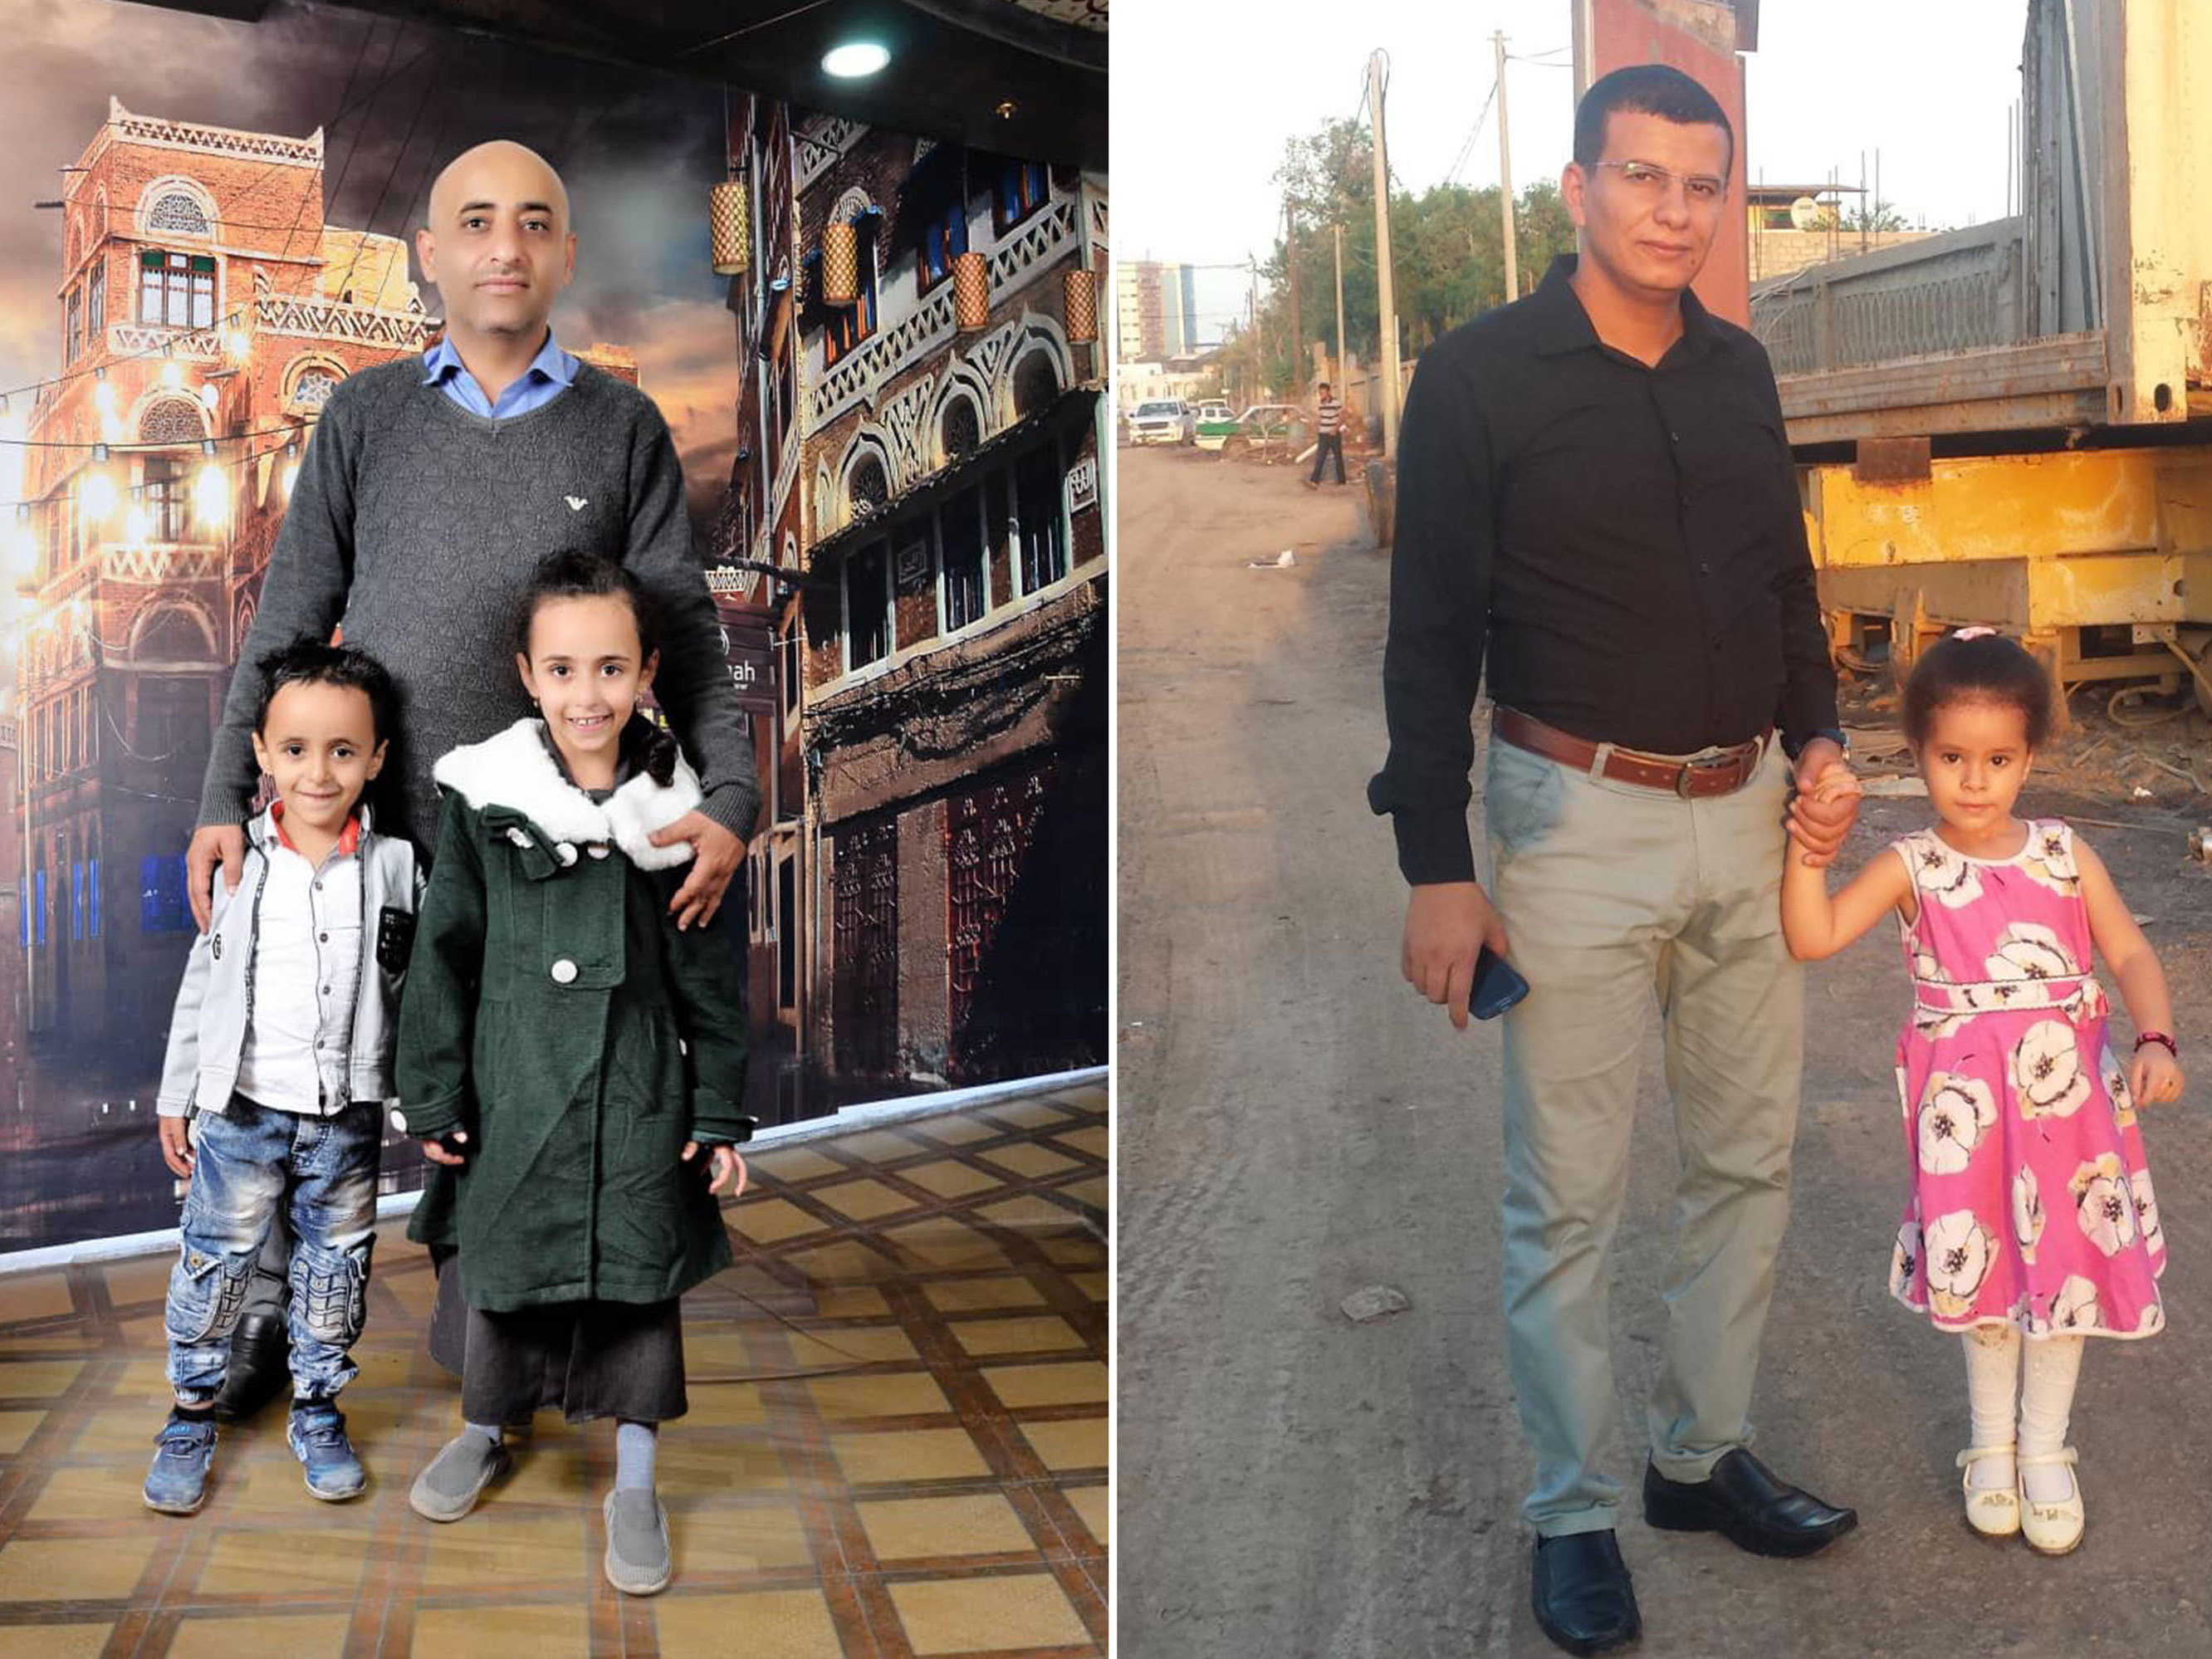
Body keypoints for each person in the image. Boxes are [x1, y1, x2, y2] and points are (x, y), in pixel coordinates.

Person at [1368, 64, 1862, 1656]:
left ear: (1724, 204)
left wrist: (1825, 741)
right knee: (1566, 1196)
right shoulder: (1474, 378)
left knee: (1743, 1158)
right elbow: (1427, 635)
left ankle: (1695, 1455)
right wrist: (1435, 865)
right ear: (1576, 188)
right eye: (1640, 178)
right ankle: (1571, 1509)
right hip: (1568, 822)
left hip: (1748, 808)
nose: (1672, 210)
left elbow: (1786, 582)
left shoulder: (1736, 372)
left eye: (1699, 186)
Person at [183, 139, 761, 1415]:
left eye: (535, 222)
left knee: (520, 1107)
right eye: (477, 222)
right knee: (343, 1107)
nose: (505, 245)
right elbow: (290, 618)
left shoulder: (621, 427)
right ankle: (279, 1344)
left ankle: (521, 1371)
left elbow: (687, 635)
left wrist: (728, 801)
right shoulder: (366, 415)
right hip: (384, 846)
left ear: (564, 253)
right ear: (431, 254)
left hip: (561, 861)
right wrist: (227, 797)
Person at [395, 551, 751, 1598]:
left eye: (609, 668)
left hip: (637, 1095)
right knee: (503, 1267)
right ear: (527, 673)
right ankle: (484, 1428)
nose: (585, 694)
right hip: (513, 1084)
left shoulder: (673, 814)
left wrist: (719, 1109)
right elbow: (443, 958)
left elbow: (706, 978)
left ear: (646, 673)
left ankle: (634, 1479)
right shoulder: (483, 798)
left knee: (638, 1279)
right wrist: (435, 1091)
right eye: (562, 670)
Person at [1780, 629, 2180, 1556]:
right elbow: (1815, 936)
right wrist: (1807, 854)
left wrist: (2155, 1035)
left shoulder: (2065, 851)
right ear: (1916, 752)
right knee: (1988, 1280)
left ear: (2029, 755)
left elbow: (2125, 949)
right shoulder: (1912, 865)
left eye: (1998, 759)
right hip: (1968, 1125)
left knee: (2065, 1279)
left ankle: (2046, 1451)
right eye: (1951, 758)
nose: (1973, 780)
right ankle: (1989, 1448)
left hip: (2073, 1114)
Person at [144, 642, 420, 1515]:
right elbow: (203, 986)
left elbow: (415, 988)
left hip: (345, 1122)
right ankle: (189, 1414)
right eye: (296, 750)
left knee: (336, 1274)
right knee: (214, 1266)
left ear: (375, 759)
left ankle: (318, 1409)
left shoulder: (396, 867)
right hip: (242, 1112)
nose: (319, 771)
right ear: (261, 753)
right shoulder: (240, 864)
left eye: (344, 751)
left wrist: (417, 1092)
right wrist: (175, 1095)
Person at [1305, 380, 1346, 487]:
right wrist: (1315, 425)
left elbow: (1342, 417)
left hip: (1334, 434)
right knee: (1320, 457)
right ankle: (1314, 480)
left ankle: (1342, 481)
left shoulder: (1336, 403)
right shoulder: (1320, 404)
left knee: (1338, 457)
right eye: (1320, 393)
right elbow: (1320, 417)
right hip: (1323, 434)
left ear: (1328, 392)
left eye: (1323, 393)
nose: (1321, 395)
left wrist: (1335, 429)